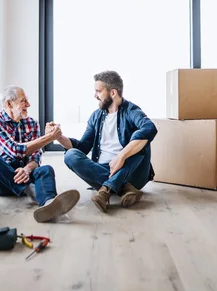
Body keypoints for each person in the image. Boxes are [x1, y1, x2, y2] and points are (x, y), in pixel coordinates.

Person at [51, 70, 157, 213]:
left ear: (113, 93)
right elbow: (82, 147)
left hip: (131, 173)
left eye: (98, 91)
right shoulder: (96, 116)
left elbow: (150, 128)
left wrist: (121, 156)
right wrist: (58, 137)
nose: (95, 96)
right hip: (101, 171)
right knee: (71, 155)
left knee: (143, 141)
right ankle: (122, 188)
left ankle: (107, 188)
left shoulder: (132, 111)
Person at [0, 85, 80, 223]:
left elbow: (35, 156)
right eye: (23, 101)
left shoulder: (32, 123)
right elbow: (13, 150)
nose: (28, 105)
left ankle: (49, 204)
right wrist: (49, 138)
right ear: (9, 103)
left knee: (45, 169)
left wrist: (27, 169)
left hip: (22, 174)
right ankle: (28, 189)